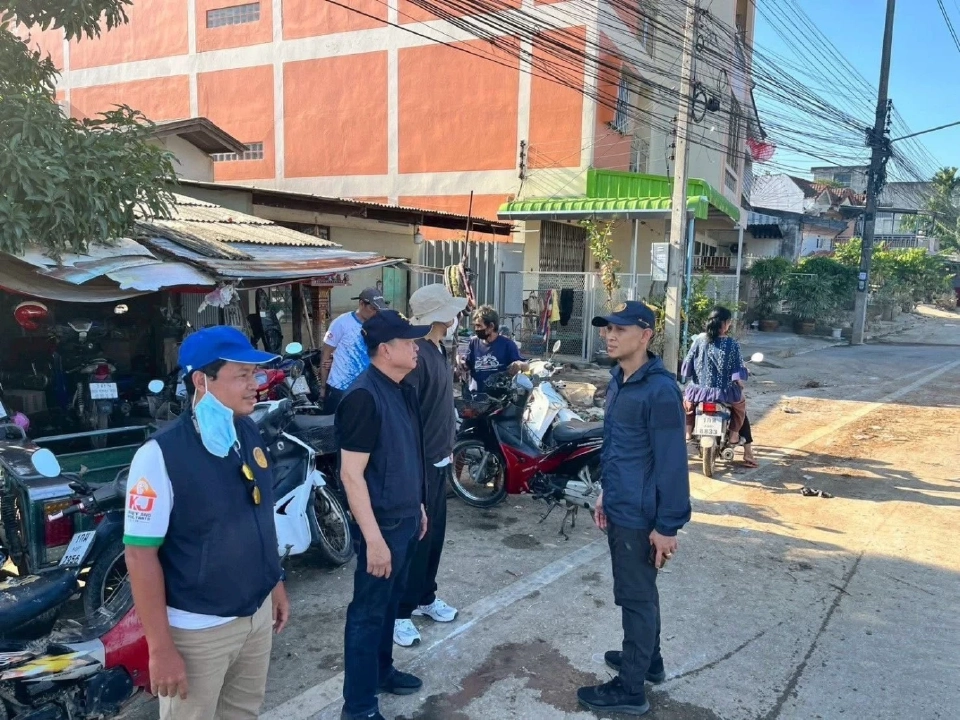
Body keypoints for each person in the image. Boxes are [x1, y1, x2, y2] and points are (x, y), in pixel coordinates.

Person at [123, 326, 290, 720]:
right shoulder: (159, 455)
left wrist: (274, 583)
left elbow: (259, 517)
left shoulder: (245, 429)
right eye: (242, 375)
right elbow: (139, 554)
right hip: (198, 631)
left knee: (243, 712)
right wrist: (161, 647)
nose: (256, 385)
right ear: (201, 380)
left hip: (255, 614)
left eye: (256, 374)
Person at [578, 301, 691, 717]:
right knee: (642, 592)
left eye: (620, 330)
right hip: (621, 501)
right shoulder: (619, 379)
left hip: (641, 516)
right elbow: (620, 449)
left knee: (635, 598)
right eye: (607, 328)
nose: (609, 335)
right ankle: (650, 662)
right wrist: (606, 489)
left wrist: (668, 526)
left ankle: (630, 688)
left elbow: (673, 462)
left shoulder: (659, 390)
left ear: (645, 335)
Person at [336, 309, 431, 720]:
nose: (416, 347)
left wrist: (419, 505)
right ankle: (358, 707)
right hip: (383, 526)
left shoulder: (402, 388)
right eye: (409, 341)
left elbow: (406, 454)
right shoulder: (362, 396)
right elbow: (351, 475)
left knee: (389, 606)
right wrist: (373, 539)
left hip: (406, 517)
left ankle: (381, 671)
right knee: (367, 614)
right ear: (385, 349)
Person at [393, 285, 467, 648]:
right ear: (437, 316)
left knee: (433, 539)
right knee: (415, 541)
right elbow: (408, 418)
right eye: (451, 310)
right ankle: (399, 613)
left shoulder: (437, 349)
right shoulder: (417, 356)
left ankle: (425, 597)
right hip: (419, 463)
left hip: (439, 458)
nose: (456, 316)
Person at [681, 306, 749, 446]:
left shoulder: (699, 340)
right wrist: (739, 383)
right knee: (740, 406)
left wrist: (690, 377)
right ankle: (734, 435)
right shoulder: (732, 344)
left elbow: (687, 364)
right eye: (729, 322)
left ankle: (688, 432)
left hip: (699, 391)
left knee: (688, 406)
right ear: (725, 323)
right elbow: (736, 369)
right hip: (724, 392)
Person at [321, 288, 388, 413]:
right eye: (372, 309)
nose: (375, 313)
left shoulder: (380, 326)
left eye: (378, 310)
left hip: (366, 389)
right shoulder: (341, 323)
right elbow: (326, 352)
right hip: (340, 388)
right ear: (362, 304)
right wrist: (323, 387)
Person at [461, 305, 528, 395]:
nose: (476, 329)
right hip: (477, 398)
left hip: (499, 399)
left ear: (491, 326)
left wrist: (520, 364)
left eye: (479, 326)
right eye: (475, 326)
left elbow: (526, 366)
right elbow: (466, 365)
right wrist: (460, 363)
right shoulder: (474, 343)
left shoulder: (507, 345)